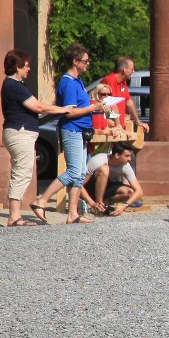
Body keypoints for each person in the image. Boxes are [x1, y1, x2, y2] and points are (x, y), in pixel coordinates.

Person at [31, 43, 106, 225]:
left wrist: (96, 108)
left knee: (80, 173)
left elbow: (80, 107)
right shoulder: (69, 83)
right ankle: (41, 200)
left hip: (81, 130)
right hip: (72, 129)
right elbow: (69, 112)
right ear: (75, 61)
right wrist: (92, 108)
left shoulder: (78, 81)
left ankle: (72, 213)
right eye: (85, 61)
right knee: (73, 171)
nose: (88, 64)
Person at [87, 144, 142, 215]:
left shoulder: (125, 166)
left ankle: (104, 203)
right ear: (117, 155)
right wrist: (91, 202)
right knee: (104, 169)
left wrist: (124, 206)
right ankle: (98, 205)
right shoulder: (98, 160)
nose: (130, 159)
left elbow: (139, 191)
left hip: (107, 188)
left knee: (130, 192)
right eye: (127, 156)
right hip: (90, 189)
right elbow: (79, 184)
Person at [98, 56, 147, 136]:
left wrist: (138, 122)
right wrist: (118, 125)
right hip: (110, 130)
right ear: (124, 69)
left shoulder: (123, 82)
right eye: (132, 69)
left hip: (118, 128)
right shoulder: (109, 80)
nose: (133, 71)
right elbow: (112, 105)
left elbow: (129, 102)